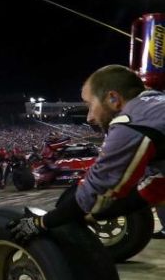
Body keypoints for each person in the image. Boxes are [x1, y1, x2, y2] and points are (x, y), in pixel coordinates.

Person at [10, 65, 165, 241]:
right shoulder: (155, 106)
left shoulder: (132, 123)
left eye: (90, 105)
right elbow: (156, 188)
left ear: (113, 98)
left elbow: (97, 191)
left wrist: (40, 223)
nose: (89, 117)